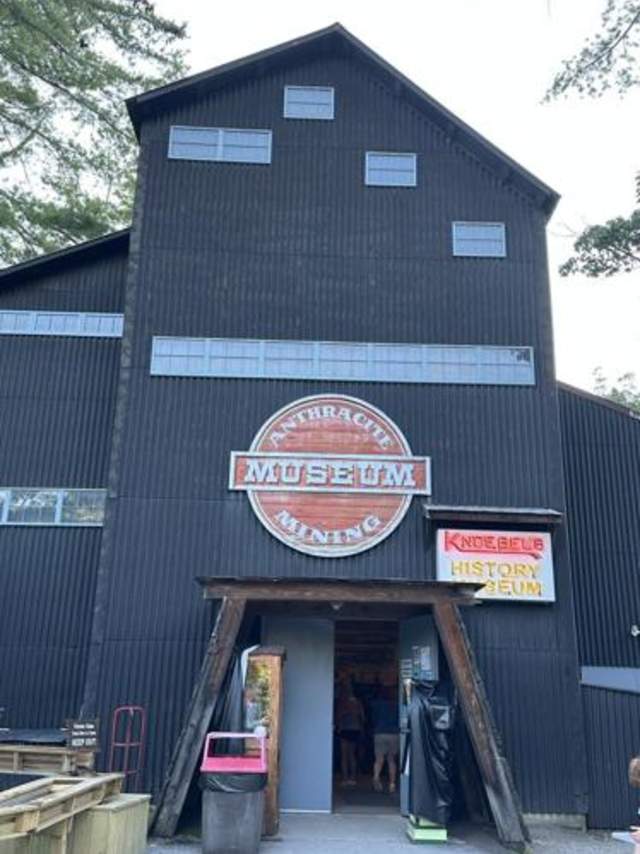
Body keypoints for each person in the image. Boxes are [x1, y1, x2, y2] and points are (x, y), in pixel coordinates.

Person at [369, 685, 399, 793]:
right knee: (391, 760)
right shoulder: (397, 705)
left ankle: (376, 776)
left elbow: (372, 717)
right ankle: (392, 784)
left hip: (380, 733)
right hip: (394, 734)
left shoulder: (377, 704)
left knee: (379, 759)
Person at [335, 685, 365, 786]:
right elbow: (363, 717)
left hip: (344, 729)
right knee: (352, 754)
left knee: (344, 755)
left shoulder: (342, 703)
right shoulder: (358, 703)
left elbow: (338, 716)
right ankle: (352, 778)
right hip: (355, 729)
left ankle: (345, 778)